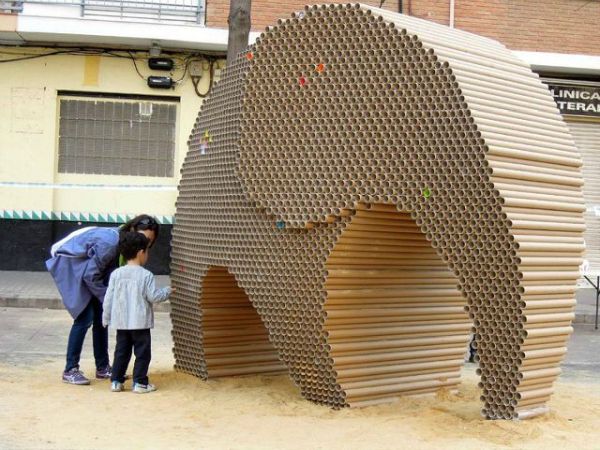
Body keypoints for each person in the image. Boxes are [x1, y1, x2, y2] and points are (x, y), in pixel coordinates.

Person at [46, 215, 160, 385]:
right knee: (84, 317)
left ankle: (103, 368)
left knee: (101, 318)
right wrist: (108, 297)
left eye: (148, 241)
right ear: (132, 231)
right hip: (71, 264)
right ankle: (70, 369)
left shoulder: (124, 245)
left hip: (90, 270)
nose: (144, 244)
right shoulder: (110, 244)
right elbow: (90, 275)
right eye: (142, 238)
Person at [102, 232, 172, 393]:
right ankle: (140, 382)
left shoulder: (116, 274)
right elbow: (153, 296)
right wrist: (168, 291)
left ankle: (116, 381)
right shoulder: (146, 275)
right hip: (140, 323)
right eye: (147, 251)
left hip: (121, 322)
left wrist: (106, 318)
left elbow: (108, 298)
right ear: (141, 252)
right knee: (142, 353)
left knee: (121, 352)